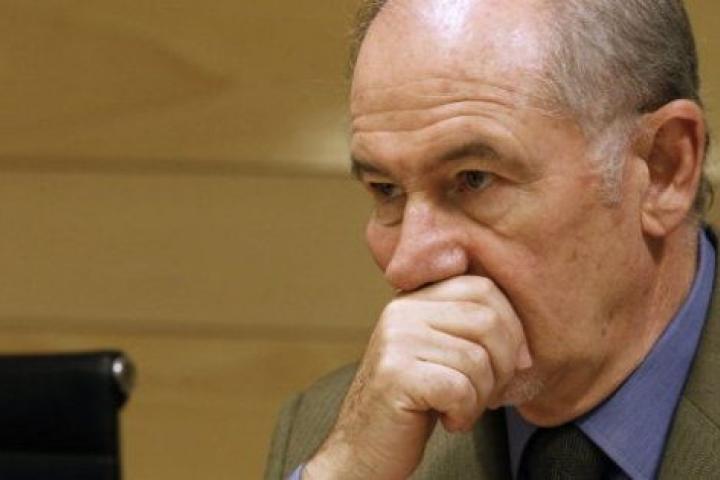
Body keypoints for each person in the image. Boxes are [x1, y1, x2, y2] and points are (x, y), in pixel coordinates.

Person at [265, 0, 720, 478]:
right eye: (387, 190)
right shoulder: (334, 437)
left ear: (663, 169)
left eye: (475, 179)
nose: (408, 263)